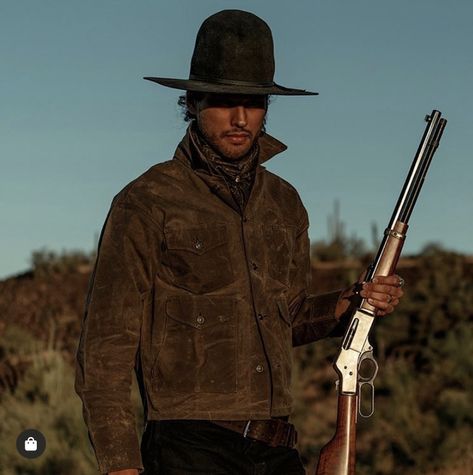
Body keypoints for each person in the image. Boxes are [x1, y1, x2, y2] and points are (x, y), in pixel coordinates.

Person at [75, 9, 404, 475]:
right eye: (224, 99)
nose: (240, 116)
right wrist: (121, 465)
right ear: (191, 101)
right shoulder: (147, 200)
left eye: (253, 101)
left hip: (277, 448)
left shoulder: (285, 203)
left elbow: (284, 319)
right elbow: (105, 348)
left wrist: (355, 301)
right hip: (188, 448)